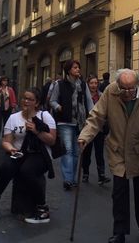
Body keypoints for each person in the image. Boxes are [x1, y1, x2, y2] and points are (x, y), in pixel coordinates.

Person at [79, 69, 139, 243]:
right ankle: (119, 231)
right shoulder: (111, 91)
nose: (128, 93)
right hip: (118, 150)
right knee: (119, 193)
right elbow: (97, 116)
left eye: (131, 89)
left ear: (137, 84)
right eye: (124, 88)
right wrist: (85, 136)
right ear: (118, 85)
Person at [0, 87, 56, 224]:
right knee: (6, 167)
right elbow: (6, 141)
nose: (26, 101)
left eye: (30, 99)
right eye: (24, 98)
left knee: (27, 170)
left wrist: (36, 131)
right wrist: (11, 150)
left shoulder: (45, 116)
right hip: (18, 153)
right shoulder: (13, 118)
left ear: (37, 102)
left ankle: (42, 208)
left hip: (39, 155)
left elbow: (52, 140)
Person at [50, 59, 93, 190]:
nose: (78, 70)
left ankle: (72, 178)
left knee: (75, 153)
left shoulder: (83, 85)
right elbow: (52, 100)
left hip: (79, 122)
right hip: (64, 122)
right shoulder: (60, 84)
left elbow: (89, 102)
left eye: (78, 67)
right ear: (69, 70)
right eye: (75, 68)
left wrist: (92, 117)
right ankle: (68, 179)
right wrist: (59, 107)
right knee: (68, 151)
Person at [80, 74, 111, 185]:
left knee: (99, 152)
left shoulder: (101, 96)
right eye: (91, 83)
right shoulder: (83, 97)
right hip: (87, 127)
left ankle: (101, 175)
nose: (94, 85)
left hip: (99, 128)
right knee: (87, 152)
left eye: (96, 83)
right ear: (88, 84)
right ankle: (86, 173)